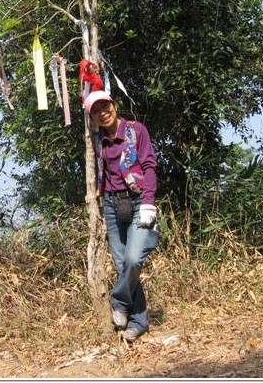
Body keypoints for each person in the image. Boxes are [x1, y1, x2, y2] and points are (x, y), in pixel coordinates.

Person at [84, 90, 160, 343]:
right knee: (121, 265)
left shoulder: (136, 130)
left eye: (105, 106)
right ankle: (138, 322)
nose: (102, 113)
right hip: (112, 205)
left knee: (133, 258)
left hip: (138, 201)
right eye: (96, 110)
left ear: (114, 106)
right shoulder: (96, 140)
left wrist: (149, 201)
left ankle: (118, 300)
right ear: (92, 117)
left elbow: (149, 165)